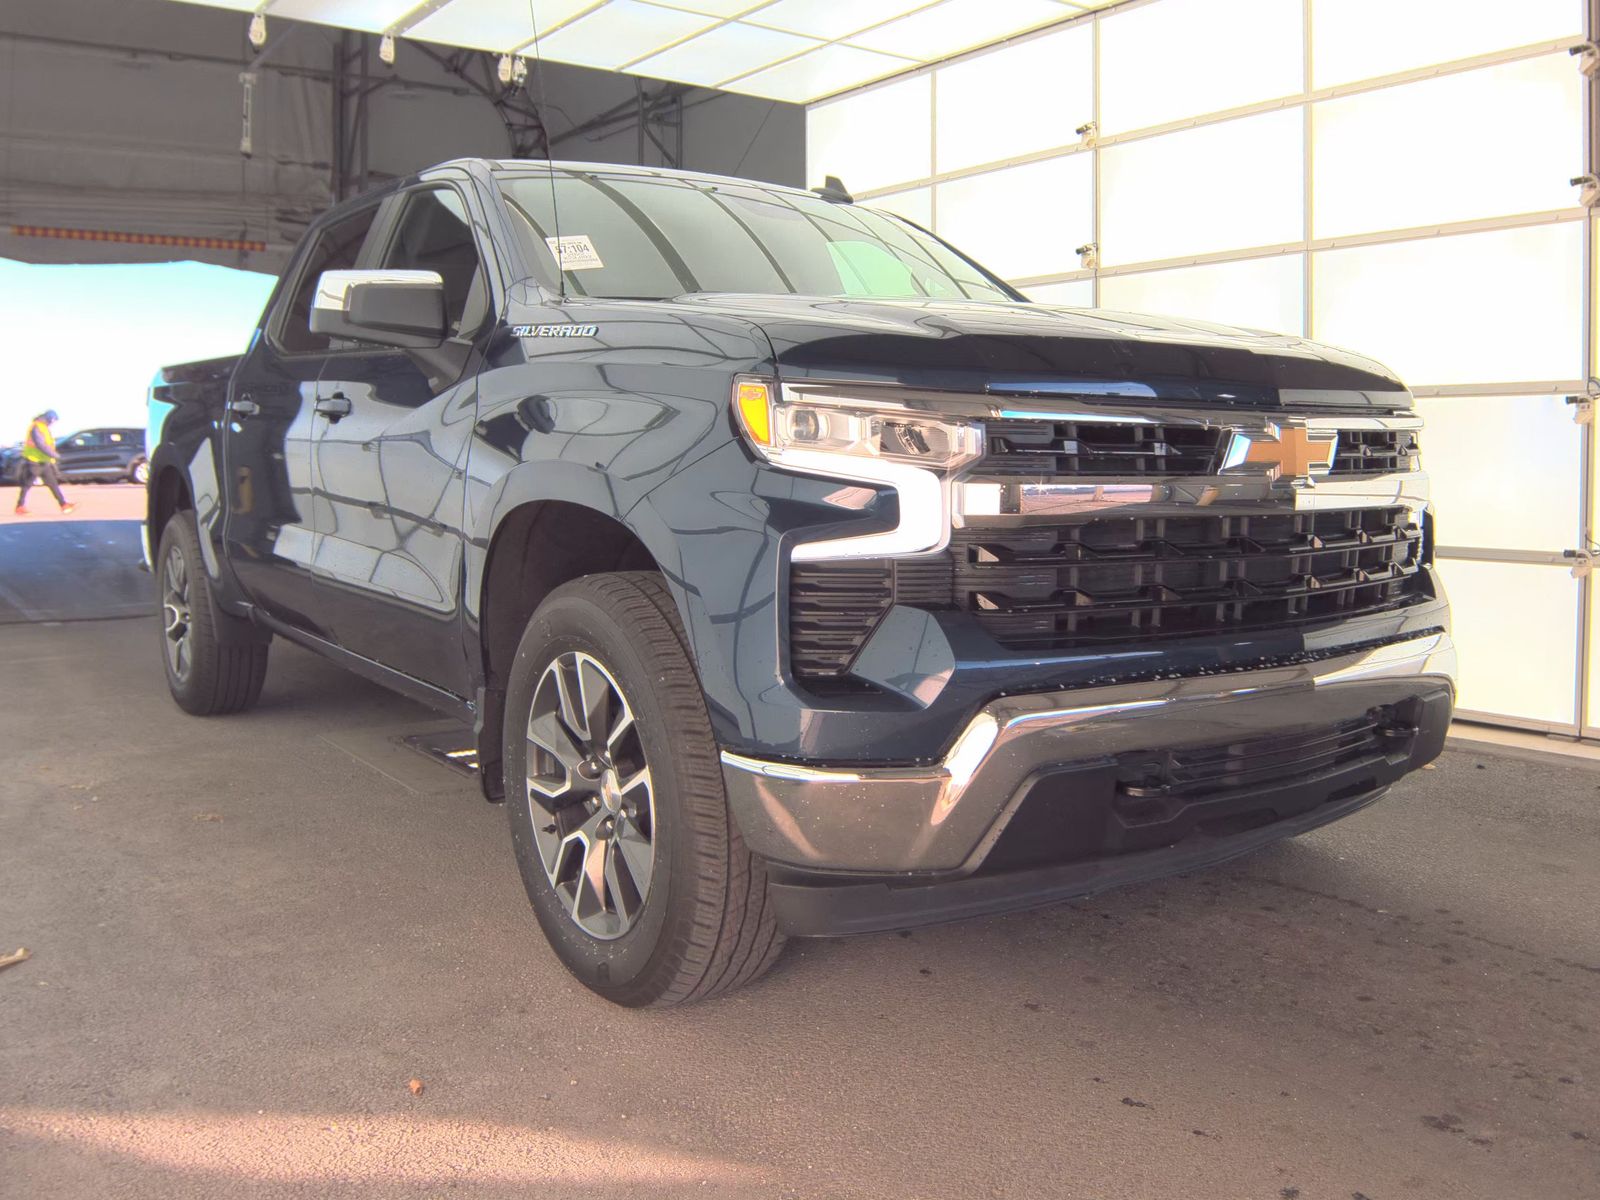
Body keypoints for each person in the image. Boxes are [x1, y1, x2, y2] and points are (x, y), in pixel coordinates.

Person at [14, 410, 75, 516]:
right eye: (53, 420)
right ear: (49, 418)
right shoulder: (37, 427)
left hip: (43, 461)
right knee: (27, 484)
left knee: (52, 484)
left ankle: (64, 504)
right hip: (34, 461)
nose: (53, 423)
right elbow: (40, 444)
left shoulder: (43, 427)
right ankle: (20, 506)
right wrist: (55, 455)